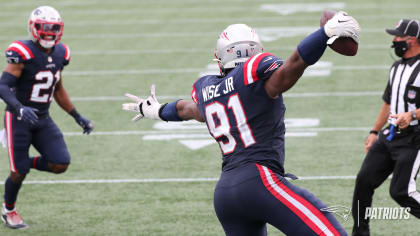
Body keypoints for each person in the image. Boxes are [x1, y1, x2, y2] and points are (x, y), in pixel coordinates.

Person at [123, 12, 360, 236]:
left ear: (220, 56)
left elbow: (187, 110)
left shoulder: (207, 88)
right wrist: (324, 33)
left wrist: (156, 111)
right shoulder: (257, 75)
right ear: (257, 51)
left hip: (226, 195)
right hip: (260, 181)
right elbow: (293, 65)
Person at [0, 6, 93, 229]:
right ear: (34, 28)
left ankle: (23, 163)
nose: (50, 33)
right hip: (18, 119)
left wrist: (76, 116)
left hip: (42, 118)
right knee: (18, 172)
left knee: (60, 163)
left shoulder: (62, 53)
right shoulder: (22, 52)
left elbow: (57, 88)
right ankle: (8, 209)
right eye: (45, 28)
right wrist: (20, 108)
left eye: (54, 28)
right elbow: (3, 86)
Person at [351, 19, 420, 236]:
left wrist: (413, 114)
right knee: (363, 181)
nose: (394, 40)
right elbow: (388, 103)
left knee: (401, 192)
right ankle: (360, 233)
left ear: (413, 40)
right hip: (389, 136)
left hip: (414, 139)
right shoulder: (396, 67)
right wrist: (373, 132)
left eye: (399, 36)